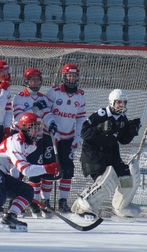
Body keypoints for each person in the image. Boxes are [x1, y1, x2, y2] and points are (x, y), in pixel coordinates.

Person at [0, 112, 60, 232]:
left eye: (38, 127)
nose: (37, 131)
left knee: (27, 190)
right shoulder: (16, 141)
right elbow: (25, 169)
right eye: (34, 127)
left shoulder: (32, 145)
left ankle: (11, 217)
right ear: (25, 128)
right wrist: (47, 168)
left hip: (3, 172)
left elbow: (14, 167)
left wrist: (17, 185)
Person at [71, 89, 142, 218]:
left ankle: (121, 207)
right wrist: (99, 128)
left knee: (127, 178)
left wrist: (131, 131)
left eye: (124, 102)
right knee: (104, 181)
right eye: (118, 102)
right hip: (94, 156)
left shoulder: (122, 118)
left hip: (111, 155)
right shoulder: (100, 115)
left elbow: (123, 140)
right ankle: (82, 206)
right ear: (111, 102)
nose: (122, 105)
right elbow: (84, 133)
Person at [42, 63, 87, 213]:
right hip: (51, 136)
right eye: (69, 75)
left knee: (67, 170)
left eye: (74, 75)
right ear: (64, 76)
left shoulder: (80, 95)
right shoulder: (54, 91)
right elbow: (45, 111)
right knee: (50, 168)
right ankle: (45, 201)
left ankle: (63, 201)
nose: (72, 78)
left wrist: (78, 136)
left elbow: (80, 117)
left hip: (68, 138)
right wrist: (51, 125)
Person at [11, 67, 52, 218]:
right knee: (18, 171)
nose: (35, 82)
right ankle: (15, 203)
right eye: (32, 79)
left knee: (36, 170)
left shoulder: (43, 98)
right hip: (20, 136)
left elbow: (47, 114)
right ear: (26, 81)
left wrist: (52, 123)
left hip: (37, 136)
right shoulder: (19, 97)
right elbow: (19, 119)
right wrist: (35, 109)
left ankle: (34, 202)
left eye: (37, 79)